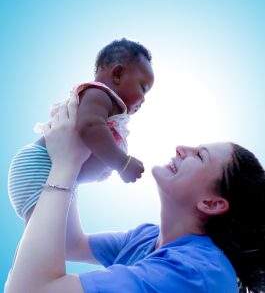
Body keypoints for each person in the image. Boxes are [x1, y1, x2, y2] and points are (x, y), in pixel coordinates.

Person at [5, 96, 265, 293]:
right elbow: (71, 244)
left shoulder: (196, 272)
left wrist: (65, 165)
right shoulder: (147, 237)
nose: (181, 148)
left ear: (211, 203)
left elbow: (29, 289)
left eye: (199, 155)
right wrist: (67, 155)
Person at [8, 38, 154, 223]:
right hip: (40, 166)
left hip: (56, 176)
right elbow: (90, 128)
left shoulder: (105, 107)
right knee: (48, 235)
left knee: (55, 238)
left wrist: (102, 169)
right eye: (143, 87)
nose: (144, 99)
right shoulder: (99, 94)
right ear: (117, 74)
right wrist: (121, 163)